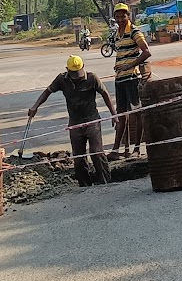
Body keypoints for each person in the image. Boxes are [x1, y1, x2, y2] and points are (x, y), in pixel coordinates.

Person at [26, 54, 115, 187]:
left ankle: (106, 183)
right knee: (79, 157)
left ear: (83, 67)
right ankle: (84, 185)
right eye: (73, 74)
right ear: (67, 70)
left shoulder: (92, 78)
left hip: (92, 120)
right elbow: (47, 92)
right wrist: (35, 106)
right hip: (75, 122)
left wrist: (114, 114)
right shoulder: (62, 80)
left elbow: (105, 94)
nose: (77, 77)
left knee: (96, 152)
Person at [109, 2, 151, 158]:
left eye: (123, 16)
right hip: (120, 79)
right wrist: (120, 66)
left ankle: (136, 149)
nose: (120, 19)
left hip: (132, 77)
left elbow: (146, 52)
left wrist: (130, 65)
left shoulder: (134, 32)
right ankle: (118, 149)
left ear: (128, 16)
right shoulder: (117, 34)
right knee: (122, 115)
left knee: (137, 113)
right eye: (118, 17)